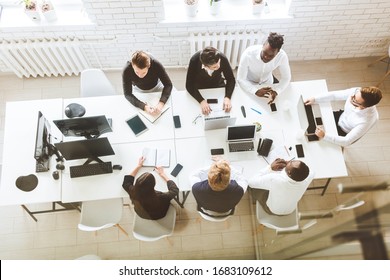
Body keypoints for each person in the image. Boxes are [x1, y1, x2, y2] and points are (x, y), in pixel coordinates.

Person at [305, 86, 382, 147]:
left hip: (343, 131)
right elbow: (335, 95)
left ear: (364, 107)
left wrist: (325, 135)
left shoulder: (367, 120)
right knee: (310, 120)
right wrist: (315, 99)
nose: (351, 97)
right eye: (354, 95)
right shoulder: (357, 92)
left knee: (318, 144)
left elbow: (347, 141)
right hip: (340, 116)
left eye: (355, 100)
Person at [237, 32, 291, 104]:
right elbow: (240, 79)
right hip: (248, 84)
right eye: (265, 52)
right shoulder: (248, 54)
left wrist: (276, 91)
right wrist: (255, 91)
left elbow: (286, 78)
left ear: (277, 53)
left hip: (268, 83)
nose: (266, 57)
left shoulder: (282, 56)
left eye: (271, 56)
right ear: (263, 46)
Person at [249, 159, 314, 216]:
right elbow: (311, 171)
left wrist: (270, 168)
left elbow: (251, 183)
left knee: (252, 187)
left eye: (290, 163)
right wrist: (290, 167)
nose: (289, 161)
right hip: (290, 211)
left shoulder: (275, 179)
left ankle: (254, 199)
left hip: (272, 211)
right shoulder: (308, 177)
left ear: (289, 173)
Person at [185, 46, 236, 115]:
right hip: (200, 87)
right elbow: (189, 84)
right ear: (205, 66)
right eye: (214, 67)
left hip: (218, 84)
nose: (219, 66)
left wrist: (227, 97)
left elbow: (231, 79)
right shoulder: (194, 60)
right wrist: (201, 101)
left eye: (219, 63)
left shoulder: (222, 58)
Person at [122, 51, 173, 116]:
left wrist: (161, 103)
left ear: (149, 66)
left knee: (171, 104)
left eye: (143, 72)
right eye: (137, 72)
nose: (140, 76)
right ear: (132, 65)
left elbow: (168, 84)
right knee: (137, 113)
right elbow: (127, 94)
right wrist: (144, 107)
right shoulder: (127, 69)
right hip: (138, 89)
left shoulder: (156, 64)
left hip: (157, 86)